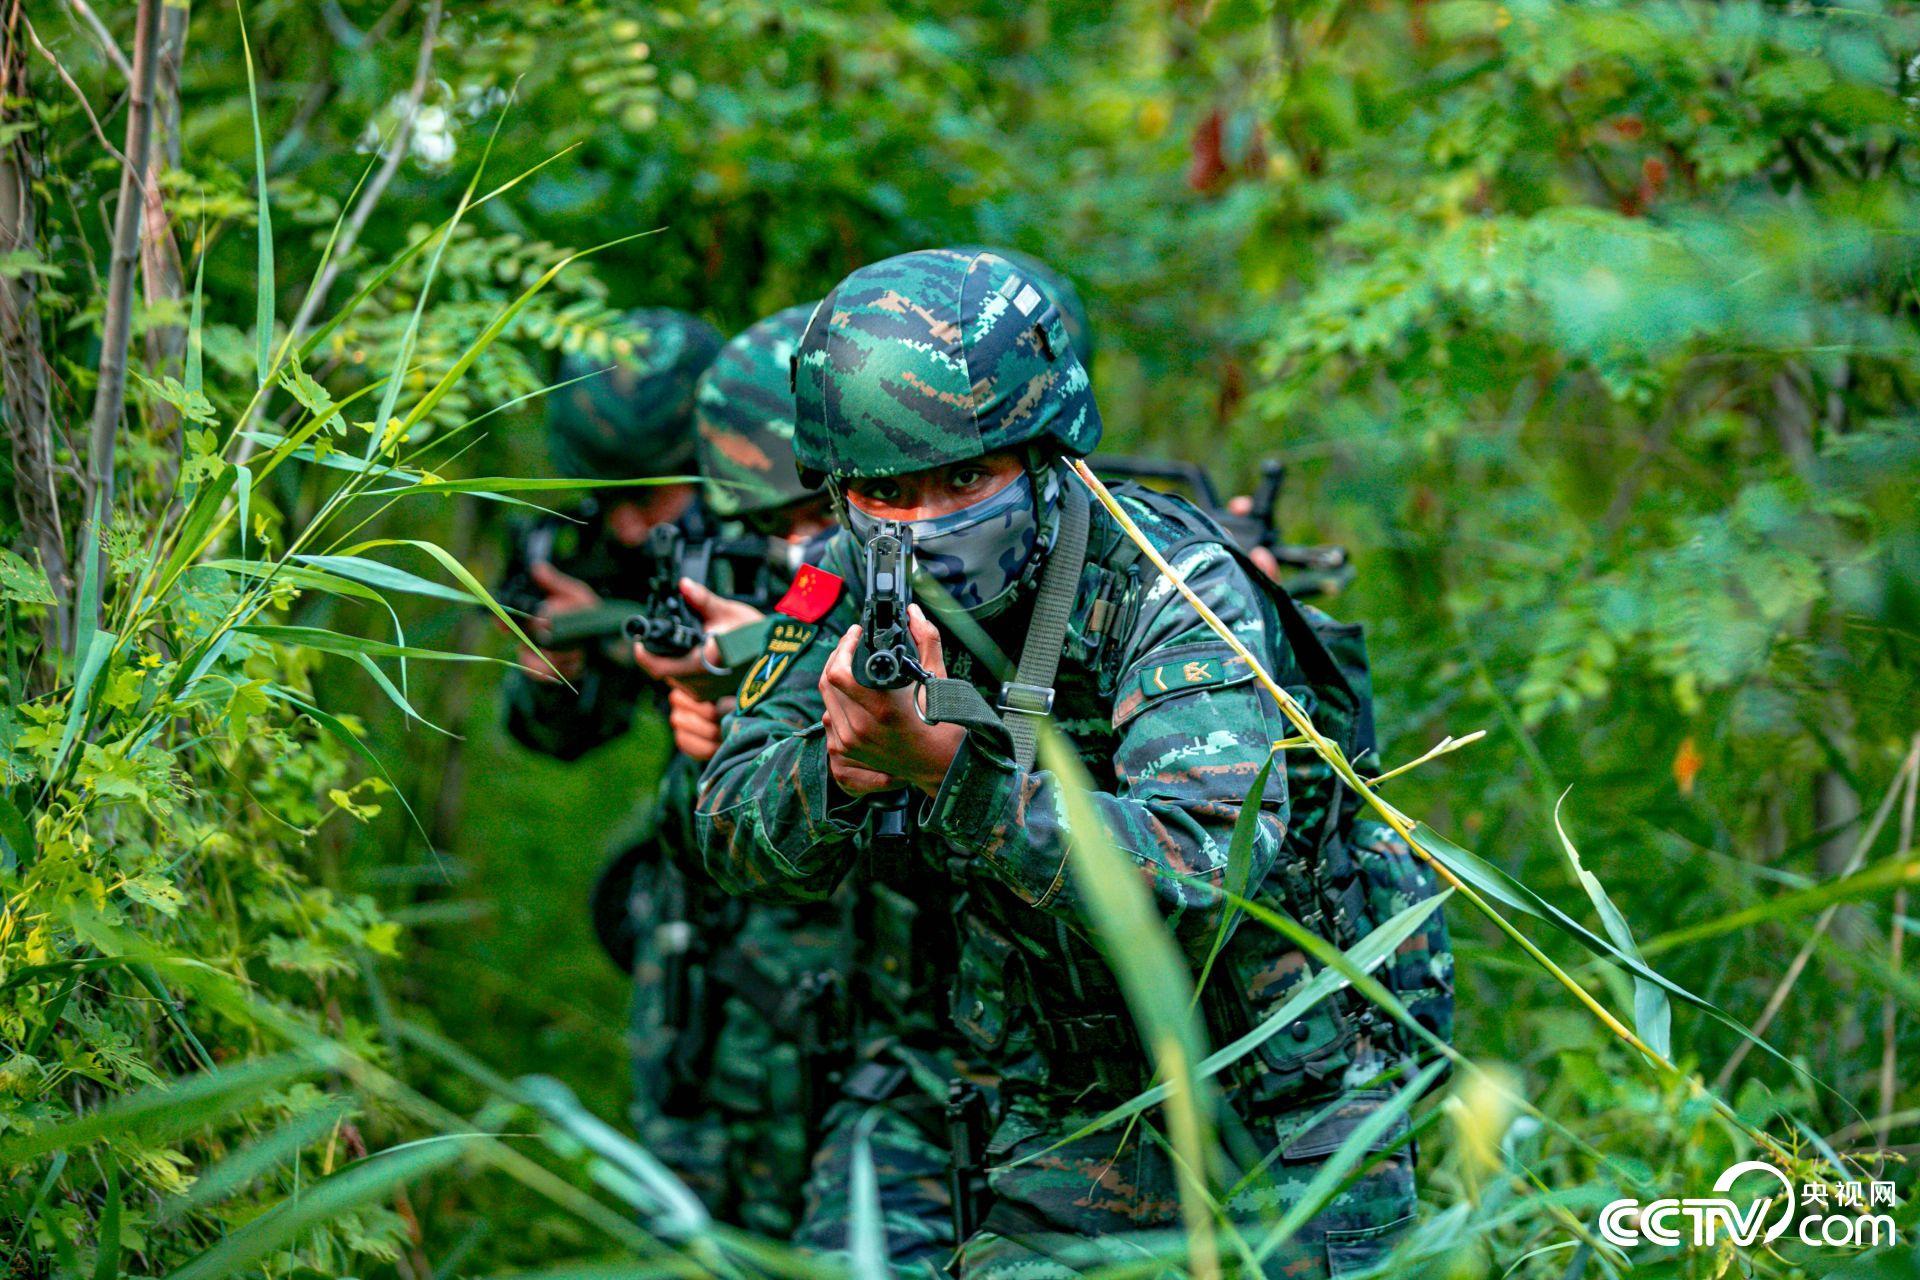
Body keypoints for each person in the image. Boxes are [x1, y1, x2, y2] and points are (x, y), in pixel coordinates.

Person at [695, 248, 1446, 1277]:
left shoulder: (1167, 581)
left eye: (966, 476)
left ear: (1046, 456)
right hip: (1074, 1107)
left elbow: (1199, 868)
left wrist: (946, 772)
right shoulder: (837, 578)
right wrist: (836, 769)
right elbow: (729, 824)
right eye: (886, 489)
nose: (922, 520)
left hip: (1281, 1095)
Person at [498, 305, 838, 1235]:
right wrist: (565, 662)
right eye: (613, 504)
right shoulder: (603, 549)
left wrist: (766, 670)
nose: (631, 526)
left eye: (654, 499)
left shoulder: (813, 553)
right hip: (689, 945)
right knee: (683, 1209)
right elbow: (553, 735)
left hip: (827, 951)